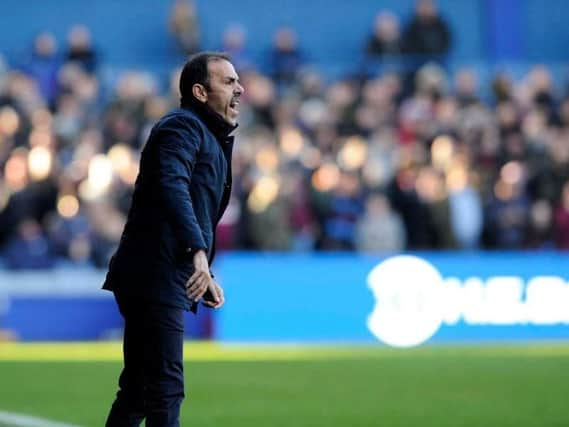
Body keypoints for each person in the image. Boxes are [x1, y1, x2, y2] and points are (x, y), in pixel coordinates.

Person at [102, 51, 244, 426]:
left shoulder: (206, 136)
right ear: (199, 91)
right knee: (165, 388)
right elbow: (172, 186)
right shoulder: (181, 127)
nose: (239, 89)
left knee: (138, 390)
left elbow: (188, 204)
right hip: (155, 273)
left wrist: (202, 268)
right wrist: (197, 253)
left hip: (159, 270)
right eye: (228, 82)